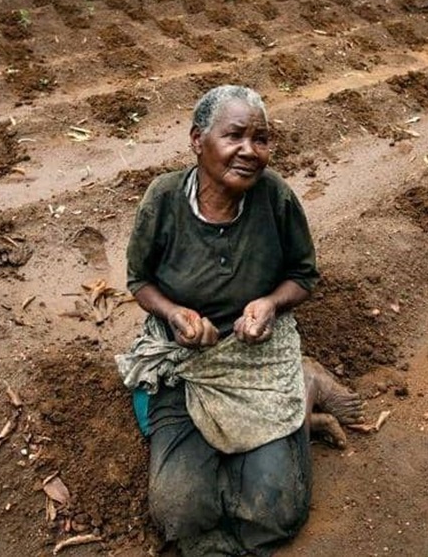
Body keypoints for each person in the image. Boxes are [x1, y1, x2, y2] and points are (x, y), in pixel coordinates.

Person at [116, 85, 364, 556]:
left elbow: (303, 275)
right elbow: (139, 281)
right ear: (197, 140)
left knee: (275, 513)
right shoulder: (164, 199)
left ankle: (300, 386)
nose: (249, 151)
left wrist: (270, 303)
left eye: (262, 138)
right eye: (234, 136)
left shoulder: (276, 199)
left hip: (257, 357)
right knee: (181, 514)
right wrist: (175, 314)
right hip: (189, 361)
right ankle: (299, 404)